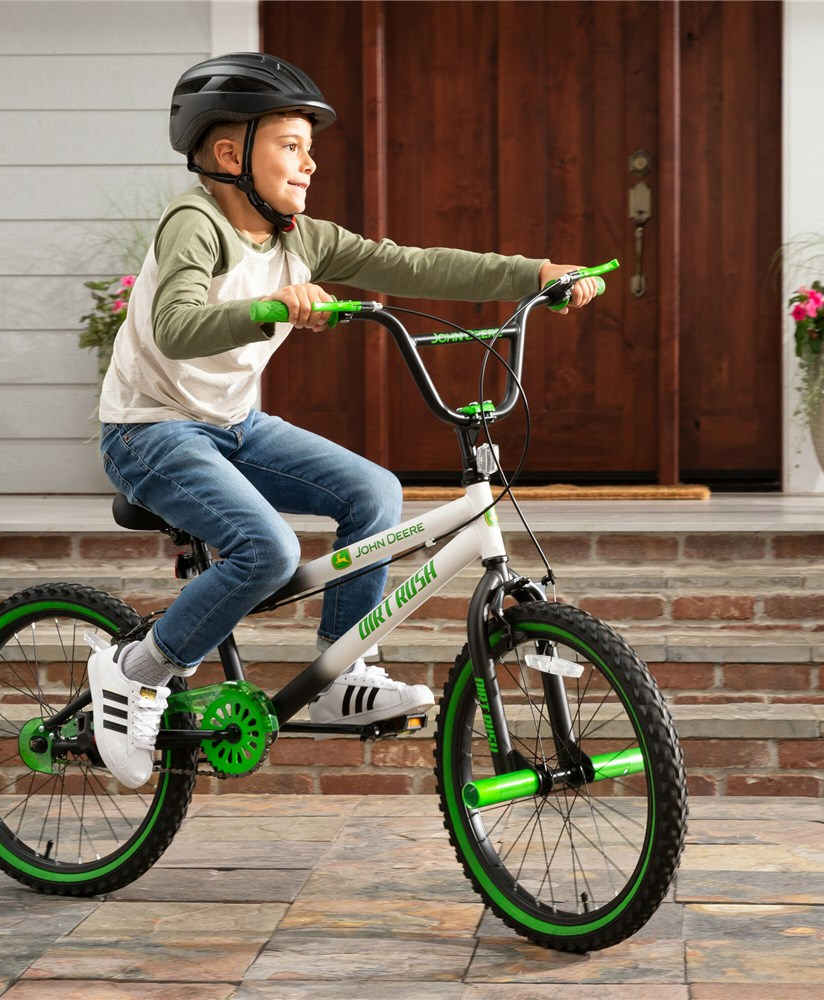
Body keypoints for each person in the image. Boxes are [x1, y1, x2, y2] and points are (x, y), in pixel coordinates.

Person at [88, 52, 599, 787]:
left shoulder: (302, 238)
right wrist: (272, 307)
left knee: (374, 494)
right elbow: (174, 326)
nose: (309, 165)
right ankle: (137, 669)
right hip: (150, 430)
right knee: (264, 550)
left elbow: (416, 267)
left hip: (232, 426)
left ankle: (341, 674)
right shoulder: (195, 221)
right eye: (291, 146)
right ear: (231, 155)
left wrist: (535, 273)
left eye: (309, 149)